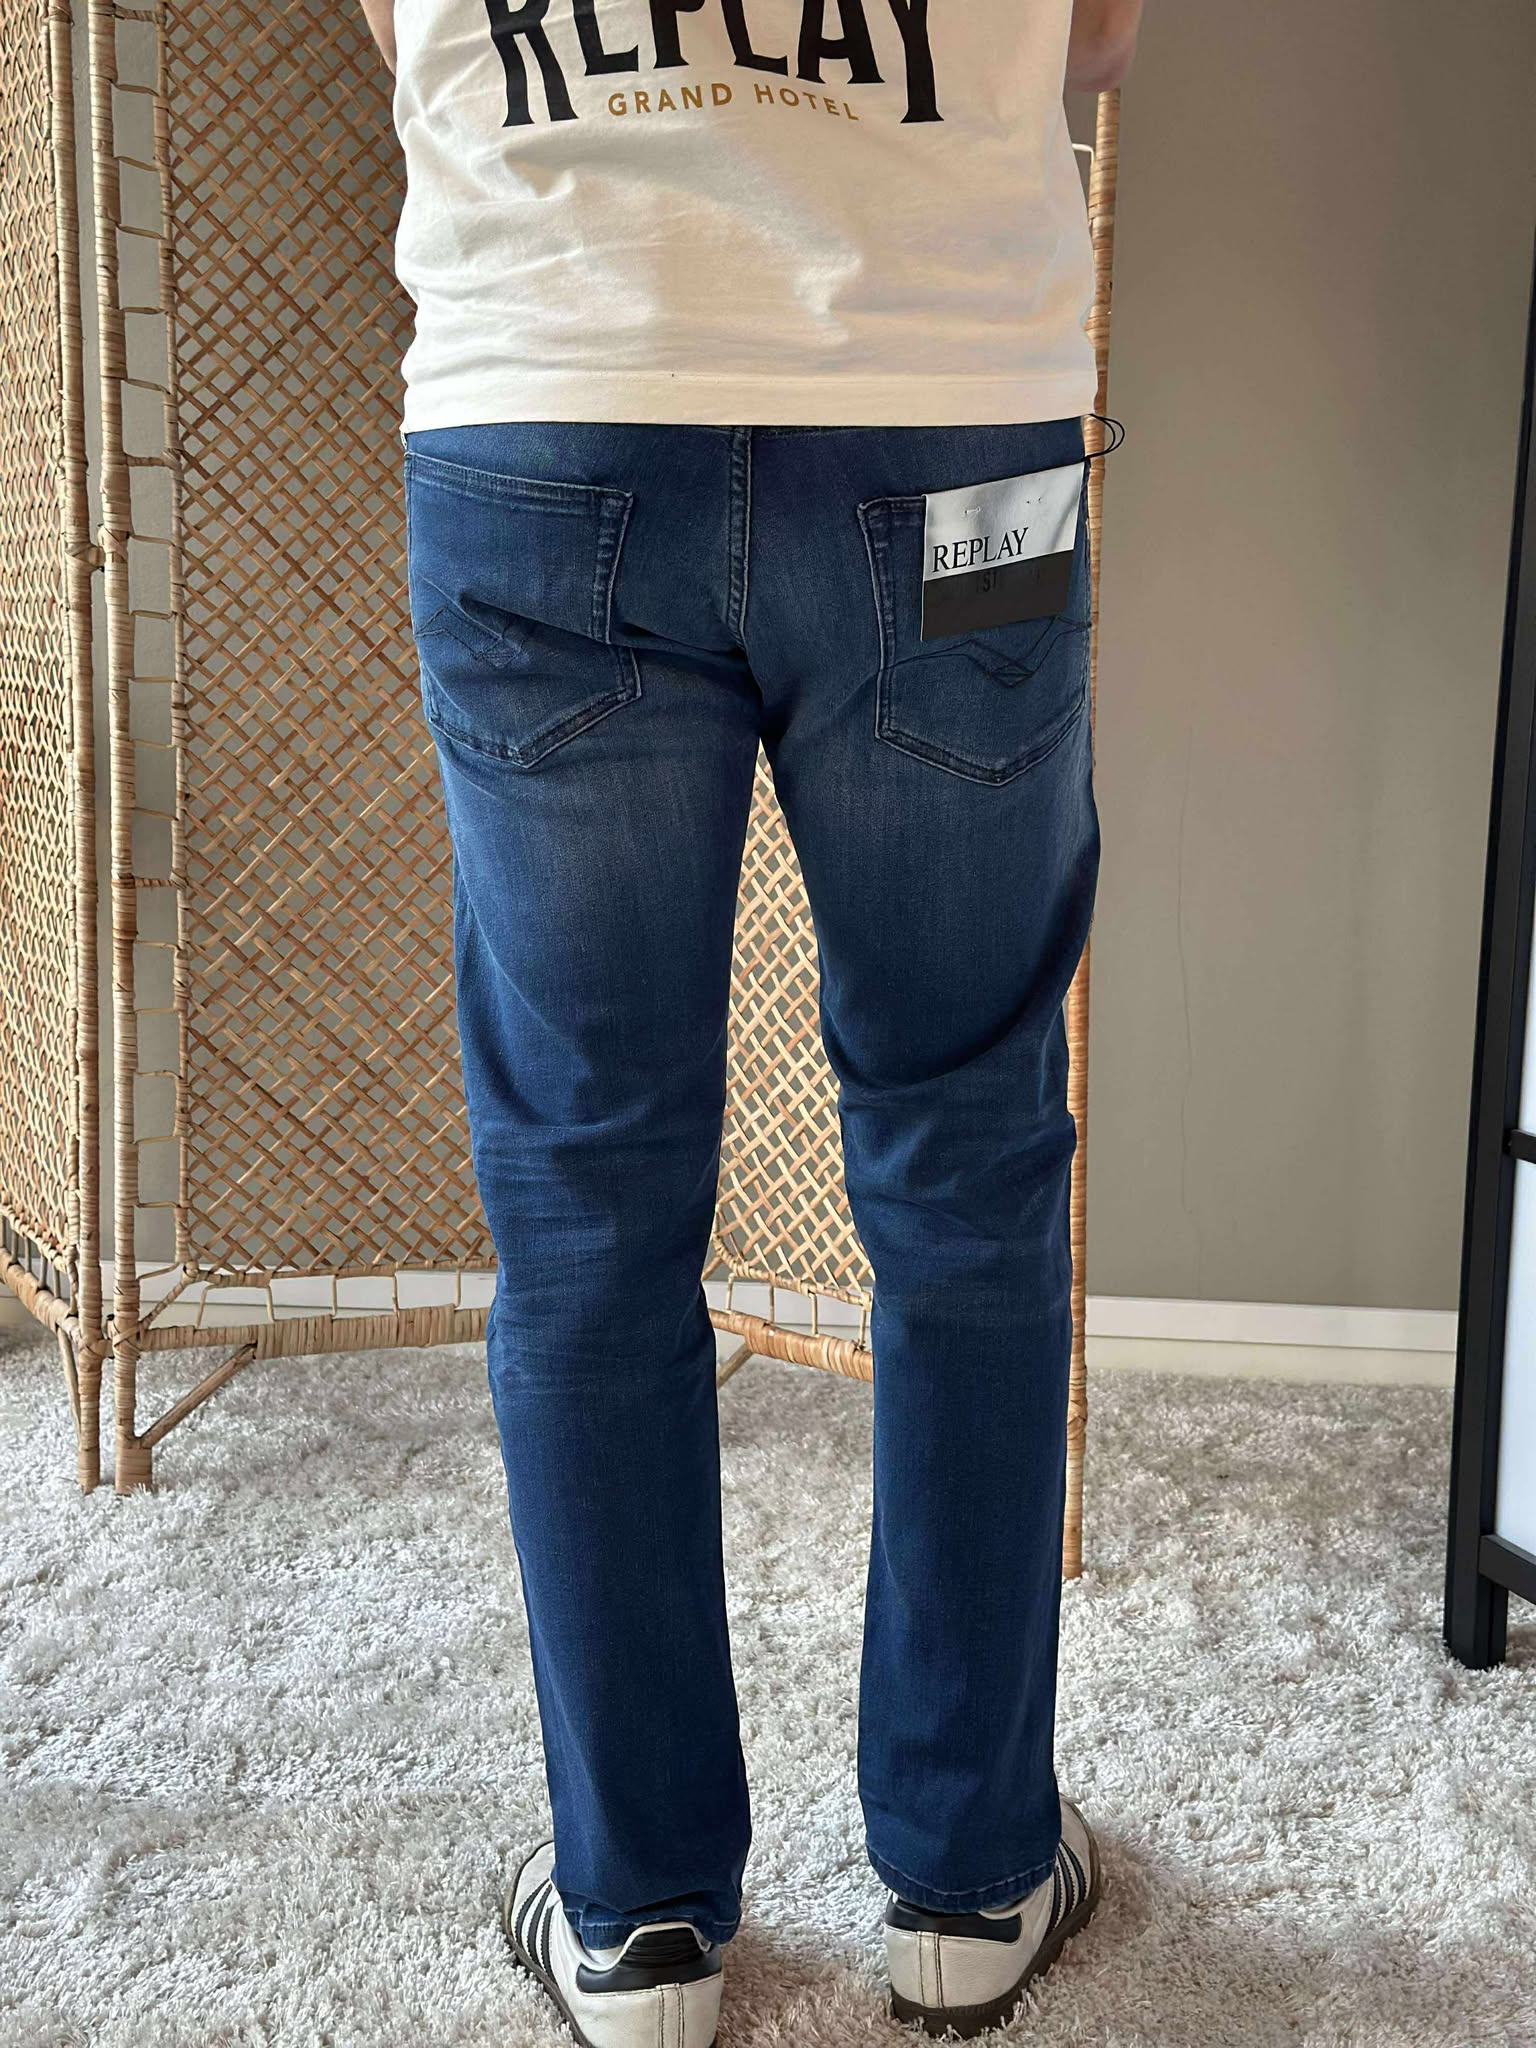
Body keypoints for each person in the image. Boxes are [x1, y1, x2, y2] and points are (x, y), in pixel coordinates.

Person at [358, 1, 1143, 2040]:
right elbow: (1097, 30)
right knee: (966, 1151)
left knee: (587, 1193)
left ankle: (637, 1921)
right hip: (946, 421)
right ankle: (971, 1878)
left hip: (548, 405)